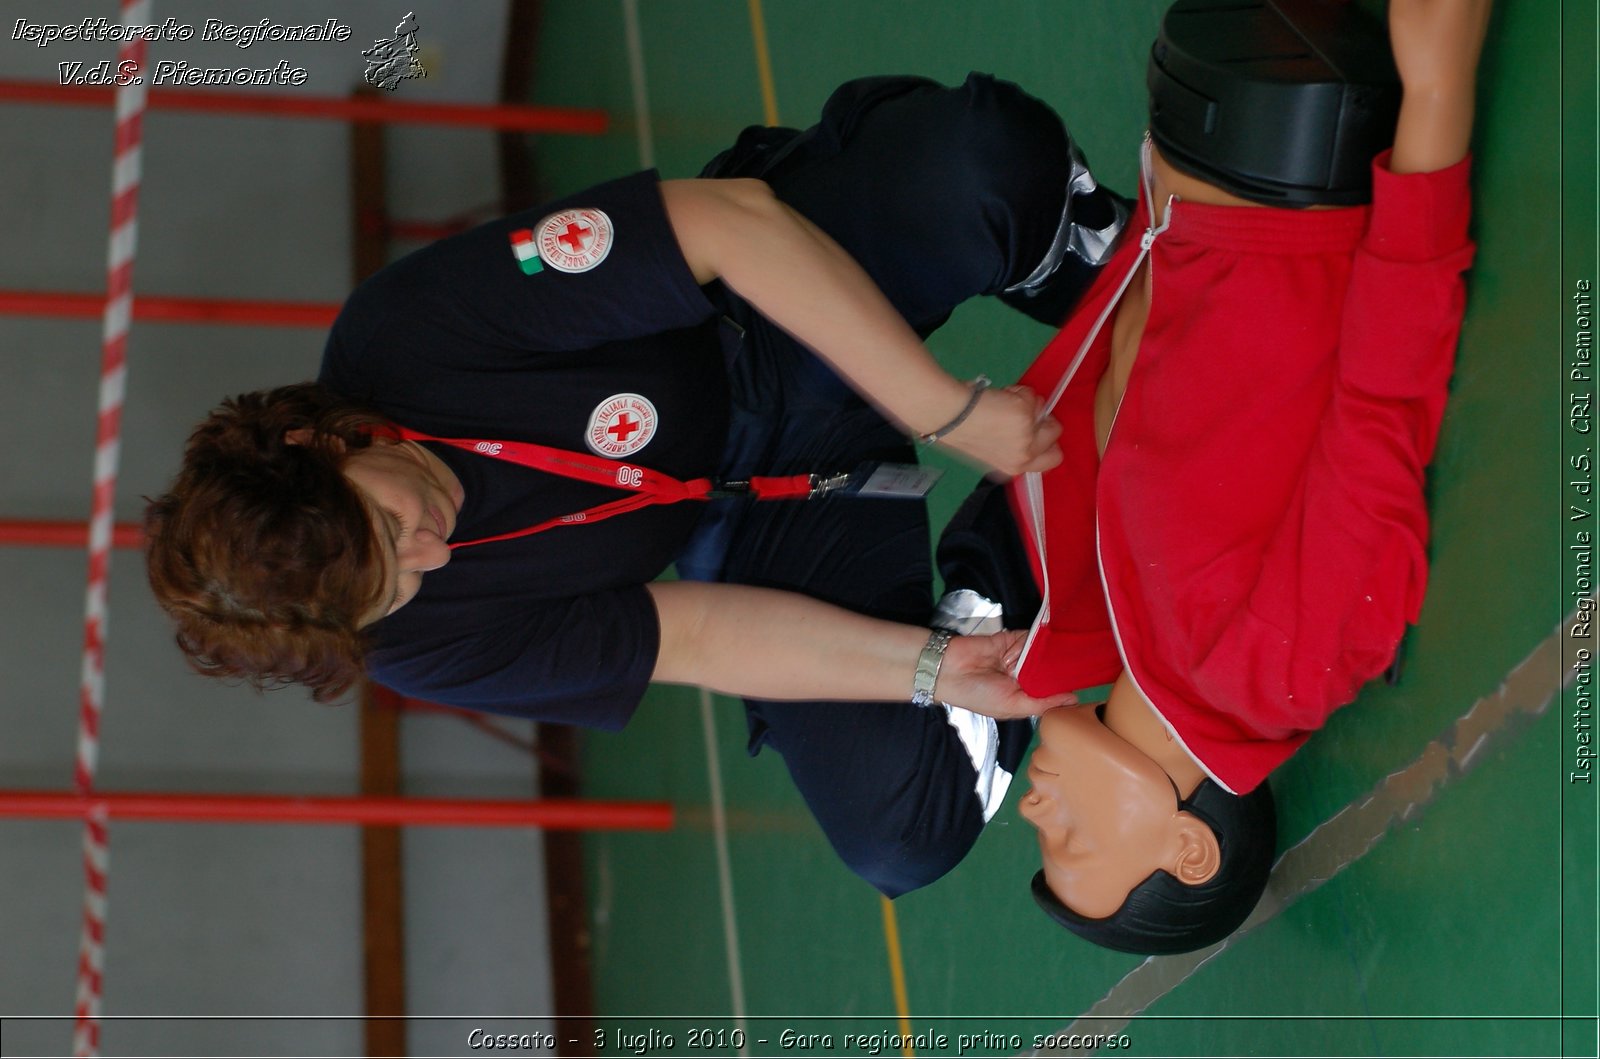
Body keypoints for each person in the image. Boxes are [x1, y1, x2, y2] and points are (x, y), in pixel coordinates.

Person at [145, 73, 1131, 896]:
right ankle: (1006, 563)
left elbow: (727, 226)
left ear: (322, 439)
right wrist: (928, 667)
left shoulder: (407, 333)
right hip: (759, 508)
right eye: (394, 583)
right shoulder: (421, 645)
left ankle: (1073, 250)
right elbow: (695, 633)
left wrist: (941, 411)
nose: (431, 554)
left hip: (756, 322)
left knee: (977, 162)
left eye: (389, 525)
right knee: (903, 830)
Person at [938, 0, 1490, 953]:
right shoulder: (1271, 675)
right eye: (1074, 843)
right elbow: (1386, 398)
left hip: (1194, 147)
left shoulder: (1120, 638)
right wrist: (1438, 96)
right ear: (1189, 848)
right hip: (1285, 128)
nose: (1036, 816)